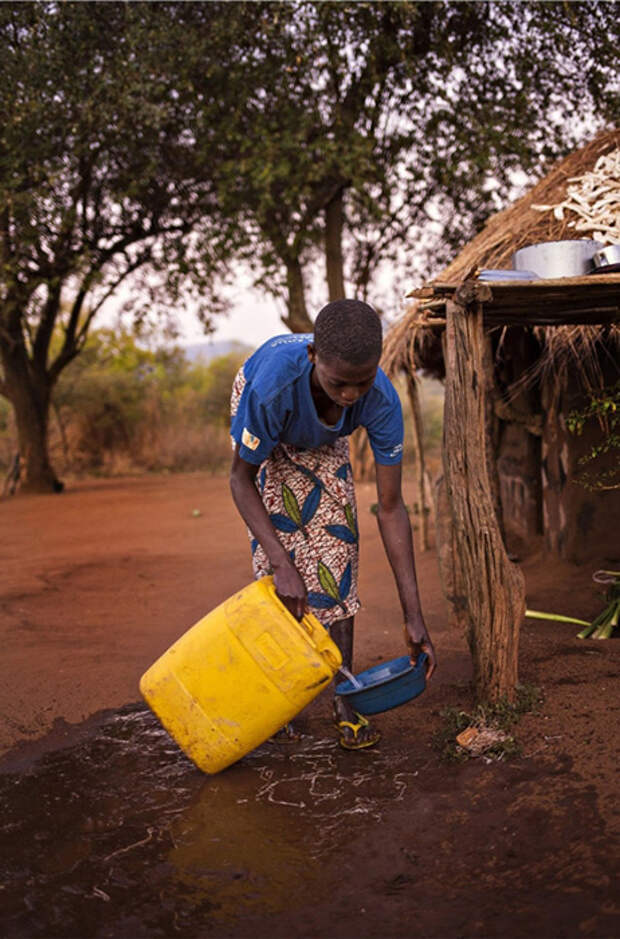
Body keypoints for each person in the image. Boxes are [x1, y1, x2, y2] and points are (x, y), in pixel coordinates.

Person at [229, 299, 436, 750]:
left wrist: (413, 617)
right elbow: (240, 480)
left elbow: (391, 508)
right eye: (339, 383)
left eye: (361, 382)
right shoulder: (270, 391)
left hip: (323, 437)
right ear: (312, 358)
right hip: (272, 417)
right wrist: (284, 563)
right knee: (278, 569)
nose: (350, 395)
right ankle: (282, 700)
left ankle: (346, 700)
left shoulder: (377, 398)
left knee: (336, 557)